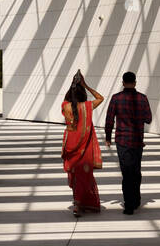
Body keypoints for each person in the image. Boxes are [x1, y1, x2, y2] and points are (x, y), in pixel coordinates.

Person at [105, 71, 152, 214]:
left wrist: (108, 137)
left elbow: (109, 120)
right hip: (137, 141)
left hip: (123, 141)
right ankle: (136, 200)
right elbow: (148, 119)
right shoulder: (143, 99)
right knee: (136, 171)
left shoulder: (116, 98)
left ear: (123, 83)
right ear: (135, 83)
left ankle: (129, 205)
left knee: (127, 173)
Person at [61, 70, 104, 216]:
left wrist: (73, 85)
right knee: (83, 176)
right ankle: (79, 205)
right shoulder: (87, 106)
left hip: (70, 145)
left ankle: (78, 203)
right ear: (83, 92)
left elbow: (68, 100)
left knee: (75, 176)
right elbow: (100, 97)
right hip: (84, 148)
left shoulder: (65, 106)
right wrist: (86, 85)